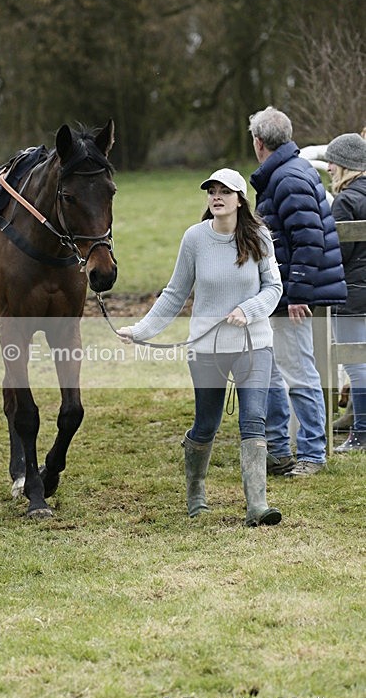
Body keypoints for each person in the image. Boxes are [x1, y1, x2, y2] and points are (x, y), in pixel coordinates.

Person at [117, 168, 283, 526]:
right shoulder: (194, 239)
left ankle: (257, 505)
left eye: (225, 191)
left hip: (255, 345)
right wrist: (142, 330)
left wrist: (247, 309)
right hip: (206, 348)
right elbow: (175, 293)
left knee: (253, 419)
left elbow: (273, 288)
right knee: (206, 424)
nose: (217, 197)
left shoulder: (259, 236)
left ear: (241, 199)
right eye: (212, 192)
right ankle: (196, 494)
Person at [249, 107, 347, 477]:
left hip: (291, 295)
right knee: (280, 370)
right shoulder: (290, 171)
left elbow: (308, 239)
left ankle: (311, 453)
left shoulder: (287, 178)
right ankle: (282, 448)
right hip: (285, 291)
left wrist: (298, 295)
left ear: (258, 143)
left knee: (298, 371)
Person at [324, 132, 366, 452]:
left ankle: (361, 433)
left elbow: (339, 251)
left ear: (347, 165)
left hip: (352, 293)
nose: (328, 167)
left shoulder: (346, 200)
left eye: (333, 161)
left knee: (356, 364)